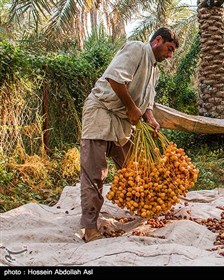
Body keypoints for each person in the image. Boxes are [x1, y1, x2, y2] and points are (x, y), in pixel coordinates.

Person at [79, 27, 179, 242]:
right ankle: (89, 228)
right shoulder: (137, 48)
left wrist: (149, 117)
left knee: (134, 170)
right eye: (169, 49)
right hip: (101, 112)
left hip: (123, 121)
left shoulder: (155, 70)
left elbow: (147, 101)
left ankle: (145, 208)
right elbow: (115, 79)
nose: (170, 56)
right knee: (94, 174)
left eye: (172, 52)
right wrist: (133, 109)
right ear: (158, 40)